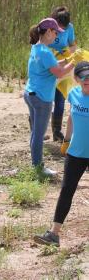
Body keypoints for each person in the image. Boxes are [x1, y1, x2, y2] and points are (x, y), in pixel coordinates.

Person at [34, 61, 89, 246]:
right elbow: (72, 117)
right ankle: (54, 234)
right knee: (66, 190)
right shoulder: (73, 94)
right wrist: (66, 141)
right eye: (84, 79)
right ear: (77, 79)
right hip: (76, 153)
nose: (87, 81)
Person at [24, 18, 81, 176]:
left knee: (35, 132)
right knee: (39, 134)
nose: (56, 36)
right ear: (48, 31)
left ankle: (35, 164)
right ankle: (38, 168)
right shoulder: (45, 52)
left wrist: (68, 59)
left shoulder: (36, 48)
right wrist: (74, 62)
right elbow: (59, 72)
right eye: (55, 32)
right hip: (42, 98)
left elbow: (53, 64)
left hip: (30, 93)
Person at [49, 6, 77, 141]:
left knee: (60, 101)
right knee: (45, 99)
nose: (63, 30)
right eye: (60, 28)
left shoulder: (69, 27)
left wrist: (70, 53)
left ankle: (57, 131)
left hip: (63, 66)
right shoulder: (48, 26)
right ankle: (36, 126)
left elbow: (72, 45)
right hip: (48, 66)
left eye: (64, 28)